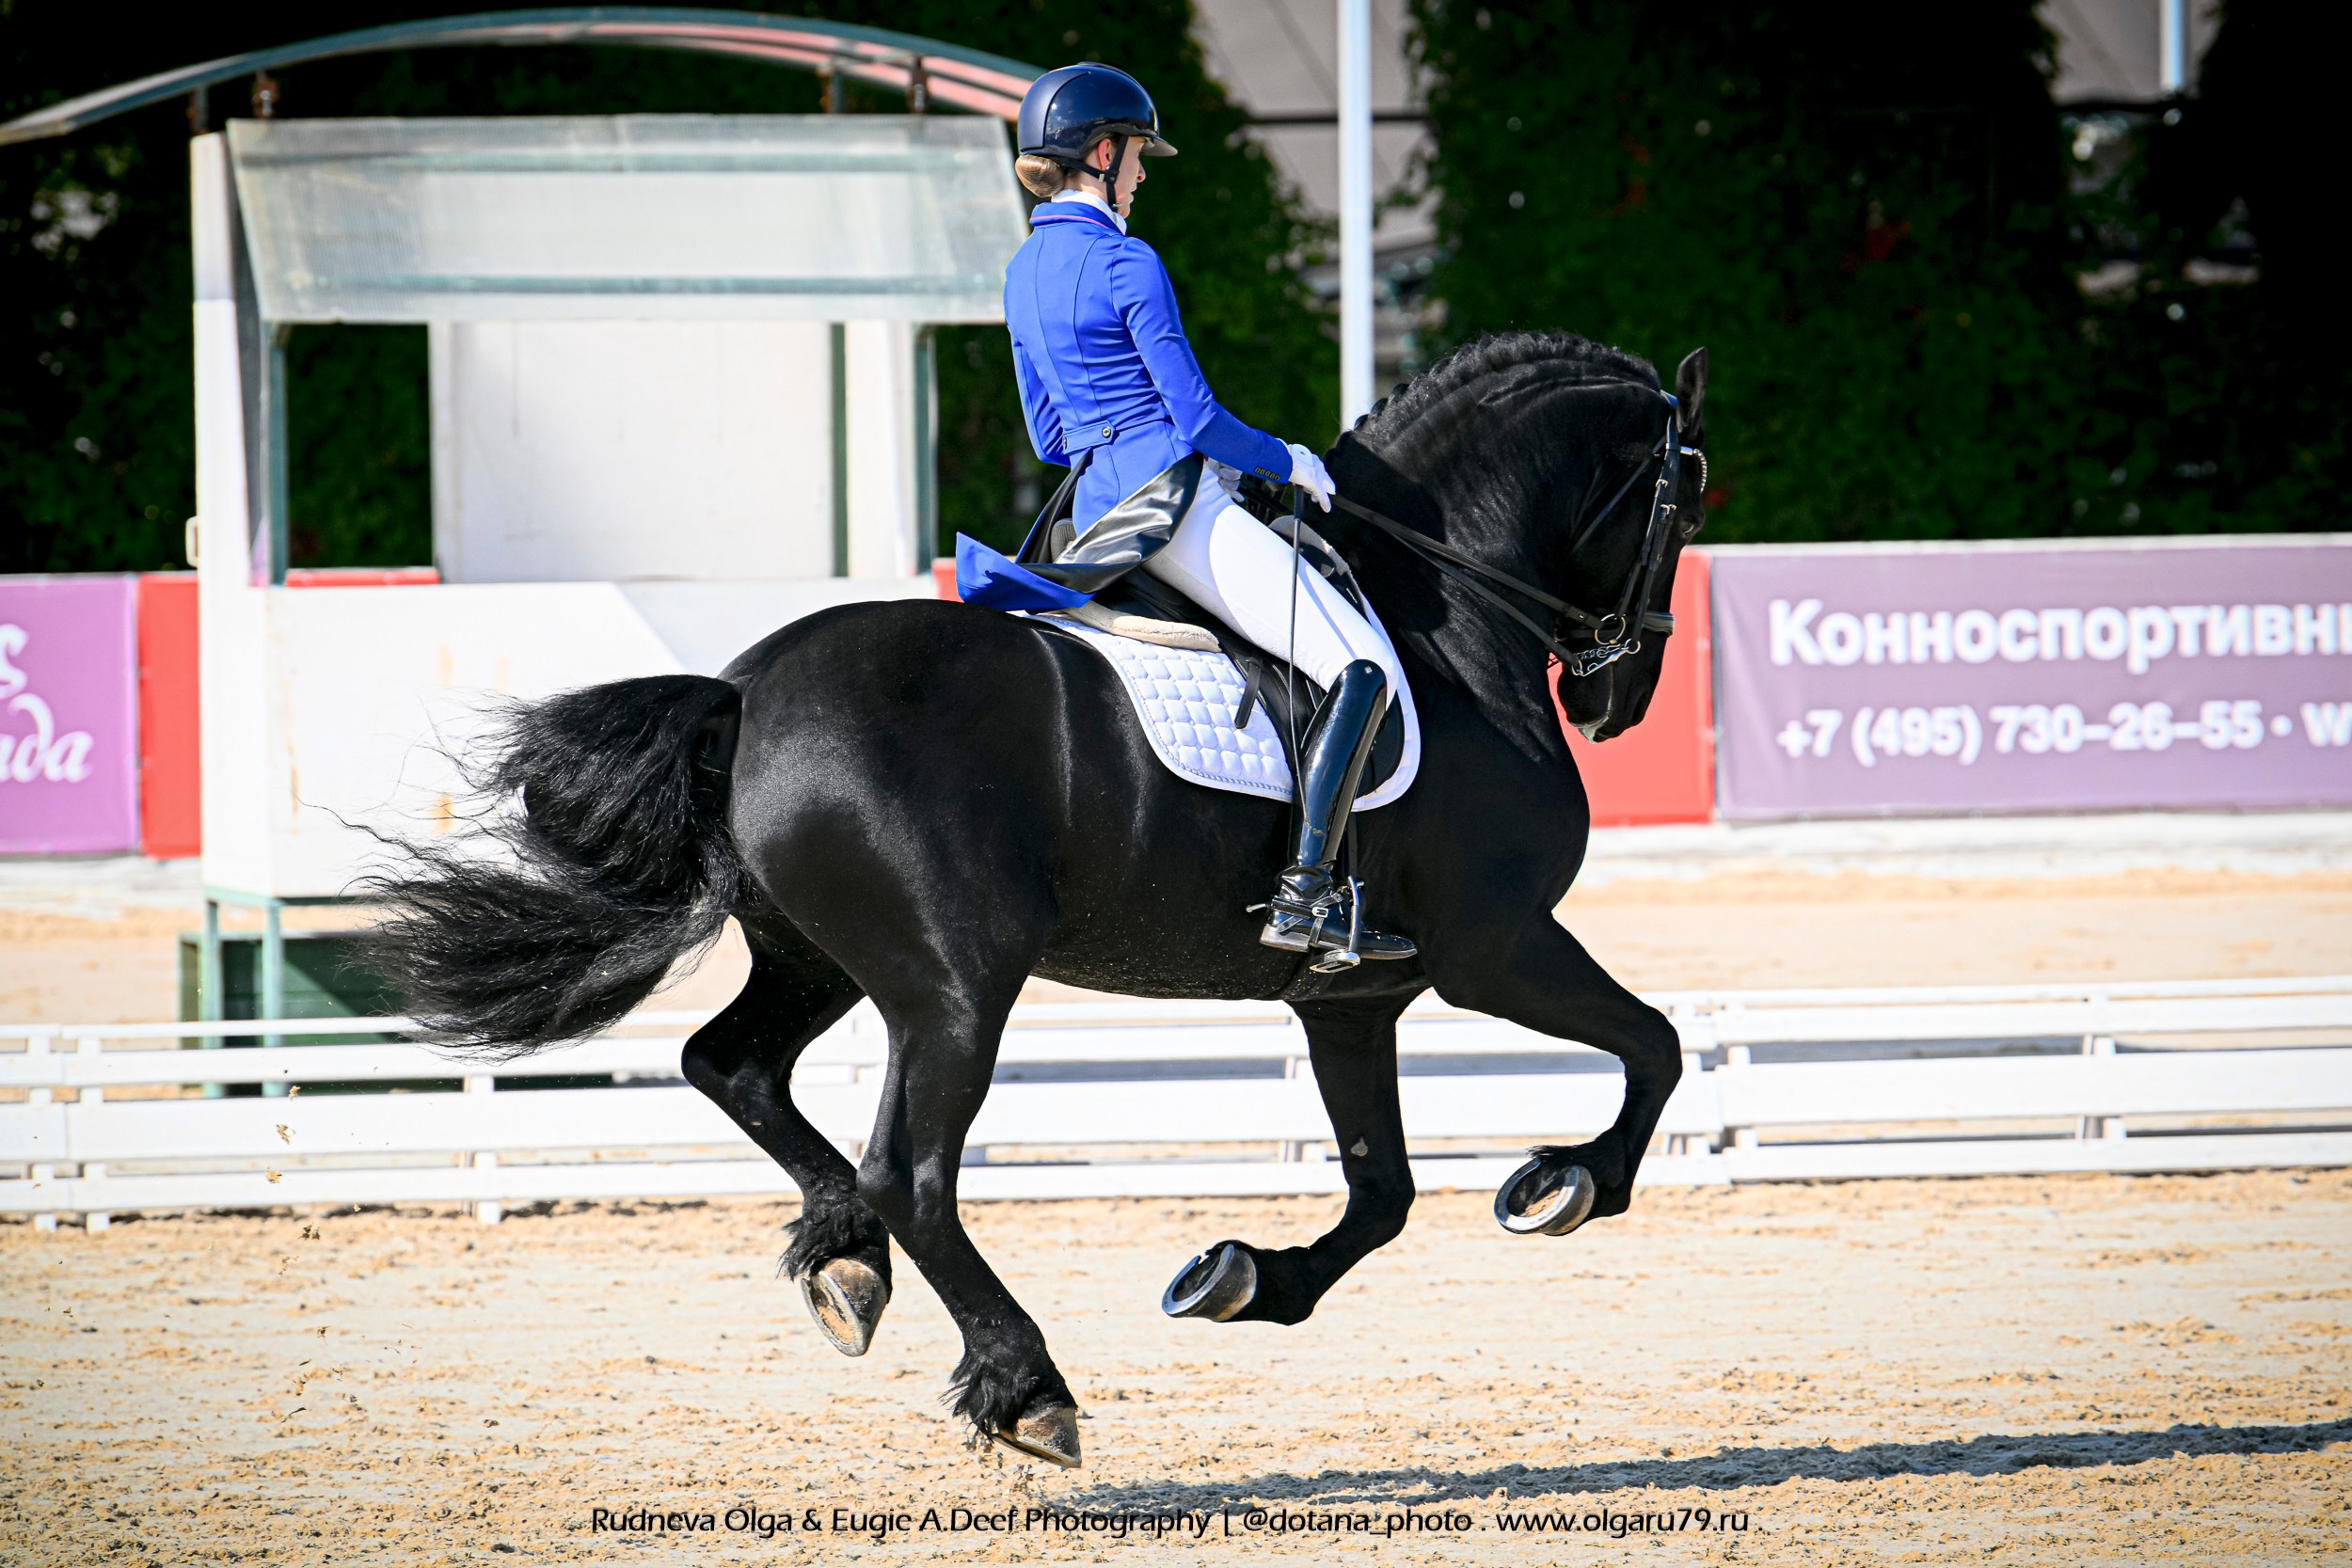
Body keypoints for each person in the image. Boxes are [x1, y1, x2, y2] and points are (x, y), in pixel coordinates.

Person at [962, 62, 1413, 967]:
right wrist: (1284, 459)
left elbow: (1051, 434)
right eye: (1136, 158)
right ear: (1101, 154)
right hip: (1172, 508)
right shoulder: (1127, 261)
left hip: (1087, 517)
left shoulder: (1022, 274)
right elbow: (1198, 418)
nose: (1142, 175)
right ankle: (1306, 896)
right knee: (1358, 664)